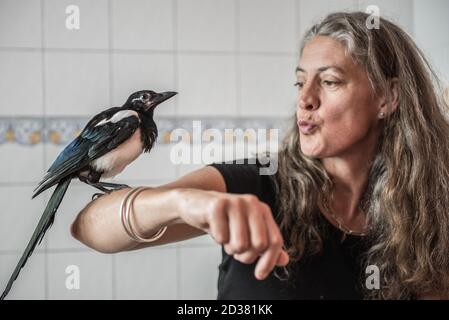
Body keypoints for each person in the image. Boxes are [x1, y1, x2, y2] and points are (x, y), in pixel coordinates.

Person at [71, 12, 449, 299]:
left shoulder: (428, 211)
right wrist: (183, 202)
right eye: (300, 82)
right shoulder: (259, 181)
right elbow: (90, 228)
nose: (305, 99)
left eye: (329, 81)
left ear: (386, 98)